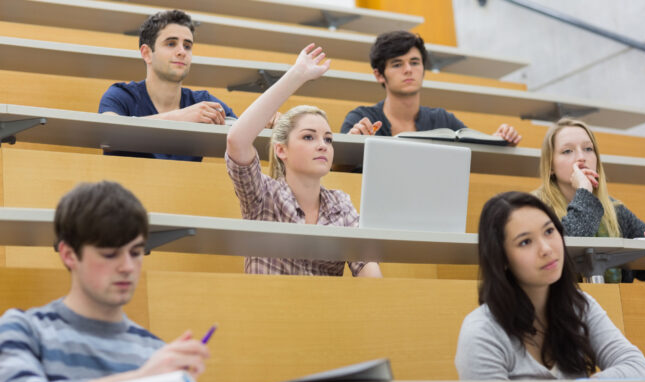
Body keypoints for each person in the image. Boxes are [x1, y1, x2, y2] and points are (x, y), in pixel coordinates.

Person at [0, 181, 209, 382]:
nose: (127, 267)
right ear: (68, 255)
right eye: (110, 254)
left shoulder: (153, 351)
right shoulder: (23, 329)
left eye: (135, 252)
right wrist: (143, 381)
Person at [451, 191, 645, 382]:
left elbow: (640, 372)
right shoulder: (481, 331)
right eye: (525, 242)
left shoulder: (579, 307)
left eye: (549, 231)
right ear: (502, 259)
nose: (546, 249)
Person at [225, 43, 382, 277]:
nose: (322, 145)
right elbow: (237, 140)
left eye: (328, 139)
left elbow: (370, 274)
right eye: (308, 137)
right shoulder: (263, 195)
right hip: (267, 311)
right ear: (281, 150)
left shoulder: (340, 204)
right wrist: (297, 75)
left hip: (325, 311)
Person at [534, 117, 645, 283]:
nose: (581, 157)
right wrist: (584, 191)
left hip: (613, 305)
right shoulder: (535, 209)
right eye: (567, 151)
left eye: (588, 149)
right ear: (550, 165)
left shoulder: (615, 210)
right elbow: (563, 251)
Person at [98, 9, 237, 161]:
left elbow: (242, 129)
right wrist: (180, 117)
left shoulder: (201, 101)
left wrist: (265, 123)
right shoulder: (120, 95)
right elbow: (108, 133)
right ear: (146, 53)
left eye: (187, 46)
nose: (182, 52)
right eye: (171, 44)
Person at [340, 30, 521, 145]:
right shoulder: (362, 119)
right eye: (397, 64)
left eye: (415, 62)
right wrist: (352, 142)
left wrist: (500, 138)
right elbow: (341, 171)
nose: (409, 70)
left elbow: (476, 149)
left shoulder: (442, 120)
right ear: (379, 75)